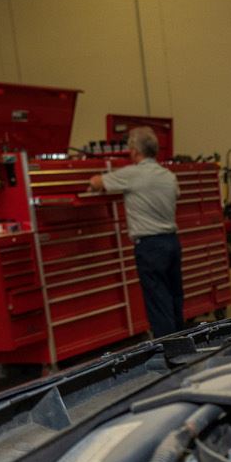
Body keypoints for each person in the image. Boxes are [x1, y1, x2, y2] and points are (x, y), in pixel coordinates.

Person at [90, 127, 184, 337]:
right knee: (174, 296)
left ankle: (169, 351)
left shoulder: (132, 174)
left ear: (134, 151)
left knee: (158, 301)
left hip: (150, 247)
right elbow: (177, 195)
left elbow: (96, 183)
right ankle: (183, 343)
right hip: (171, 242)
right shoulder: (168, 176)